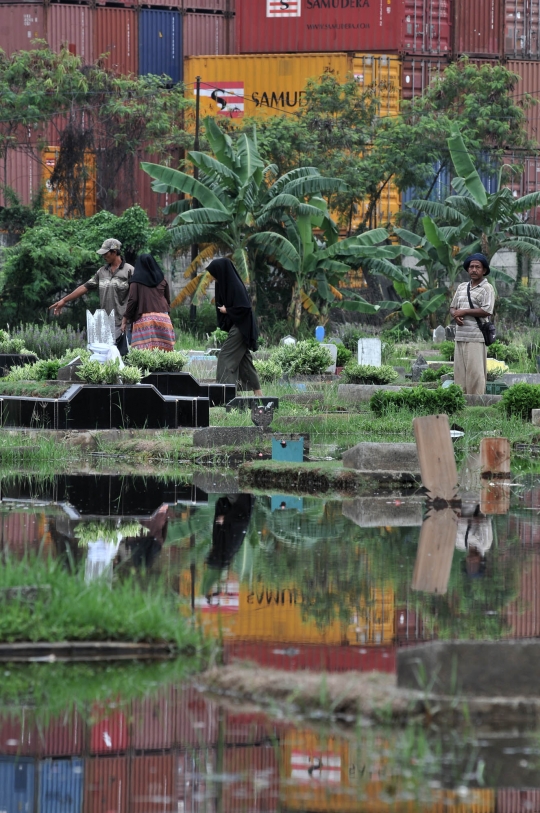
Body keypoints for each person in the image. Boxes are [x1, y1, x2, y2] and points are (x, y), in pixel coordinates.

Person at [49, 238, 134, 339]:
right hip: (106, 323)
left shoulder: (129, 270)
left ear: (114, 252)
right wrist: (64, 300)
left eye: (106, 253)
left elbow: (135, 297)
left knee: (123, 354)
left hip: (124, 323)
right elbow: (85, 287)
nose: (103, 256)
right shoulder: (102, 272)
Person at [207, 258, 262, 396]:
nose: (212, 276)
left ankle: (229, 395)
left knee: (225, 357)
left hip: (242, 327)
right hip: (239, 326)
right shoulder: (225, 284)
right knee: (245, 361)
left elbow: (244, 308)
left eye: (214, 273)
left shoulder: (235, 285)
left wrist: (228, 311)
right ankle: (259, 395)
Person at [450, 253, 495, 395]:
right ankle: (460, 402)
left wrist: (463, 312)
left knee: (475, 374)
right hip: (460, 336)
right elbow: (453, 307)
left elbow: (487, 310)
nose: (474, 269)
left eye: (478, 267)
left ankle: (476, 403)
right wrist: (456, 315)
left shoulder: (487, 288)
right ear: (467, 269)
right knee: (459, 374)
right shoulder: (462, 287)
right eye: (471, 267)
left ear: (484, 270)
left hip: (476, 336)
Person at [120, 254, 175, 351]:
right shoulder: (162, 279)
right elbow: (167, 299)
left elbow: (133, 300)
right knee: (164, 353)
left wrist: (125, 319)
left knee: (144, 354)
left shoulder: (136, 281)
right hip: (163, 318)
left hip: (144, 319)